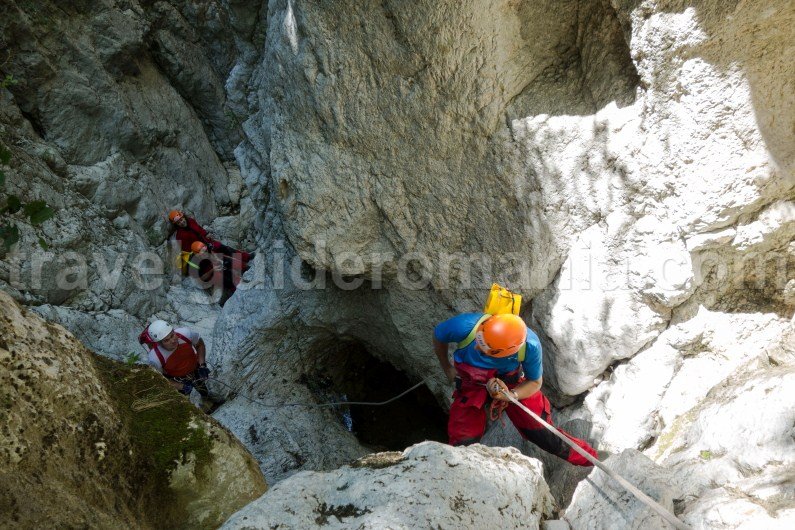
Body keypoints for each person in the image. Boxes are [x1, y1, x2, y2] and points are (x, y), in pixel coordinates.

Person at [433, 312, 598, 466]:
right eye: (479, 339)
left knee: (543, 434)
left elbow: (534, 382)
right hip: (471, 385)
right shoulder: (465, 325)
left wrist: (511, 395)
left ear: (505, 353)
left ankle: (591, 459)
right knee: (463, 444)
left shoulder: (529, 346)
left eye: (485, 349)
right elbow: (439, 335)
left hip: (511, 386)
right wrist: (447, 368)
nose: (476, 347)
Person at [145, 319, 211, 400]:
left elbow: (200, 344)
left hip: (196, 370)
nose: (173, 341)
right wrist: (181, 387)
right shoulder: (155, 358)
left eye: (172, 335)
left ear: (173, 330)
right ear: (159, 343)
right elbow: (160, 378)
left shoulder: (185, 334)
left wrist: (202, 365)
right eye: (166, 340)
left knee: (205, 392)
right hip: (178, 381)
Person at [168, 209, 253, 267]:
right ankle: (244, 268)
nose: (182, 222)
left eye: (182, 219)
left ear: (184, 217)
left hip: (208, 242)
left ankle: (246, 257)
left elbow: (199, 229)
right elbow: (187, 250)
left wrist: (206, 233)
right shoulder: (181, 235)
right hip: (201, 251)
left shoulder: (190, 221)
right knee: (224, 259)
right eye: (179, 222)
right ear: (176, 225)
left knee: (226, 249)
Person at [187, 241, 242, 306]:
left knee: (226, 267)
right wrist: (212, 270)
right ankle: (233, 288)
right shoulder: (193, 264)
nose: (206, 253)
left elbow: (212, 254)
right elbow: (200, 280)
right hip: (202, 276)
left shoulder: (206, 249)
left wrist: (218, 261)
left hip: (208, 265)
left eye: (206, 251)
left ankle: (237, 281)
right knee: (219, 276)